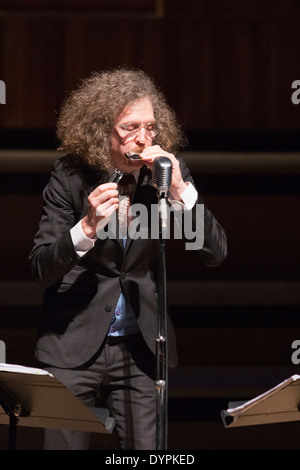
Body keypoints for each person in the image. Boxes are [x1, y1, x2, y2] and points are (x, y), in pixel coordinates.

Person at [29, 68, 227, 450]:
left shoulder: (166, 175)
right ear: (103, 131)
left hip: (140, 344)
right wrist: (85, 227)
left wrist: (183, 194)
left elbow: (216, 252)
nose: (143, 139)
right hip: (73, 341)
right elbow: (40, 267)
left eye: (151, 128)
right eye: (130, 127)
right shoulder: (69, 176)